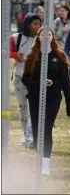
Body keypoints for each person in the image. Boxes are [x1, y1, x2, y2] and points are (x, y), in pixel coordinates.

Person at [22, 28, 70, 175]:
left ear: (52, 37)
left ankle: (45, 163)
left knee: (46, 129)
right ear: (38, 37)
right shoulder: (32, 56)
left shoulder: (59, 56)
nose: (46, 36)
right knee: (38, 131)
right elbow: (25, 79)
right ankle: (39, 162)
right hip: (35, 98)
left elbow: (65, 83)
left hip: (53, 99)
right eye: (43, 34)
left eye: (49, 34)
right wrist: (40, 83)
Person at [9, 13, 41, 147]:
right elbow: (4, 51)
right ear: (29, 25)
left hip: (35, 79)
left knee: (34, 108)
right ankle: (25, 135)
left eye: (39, 24)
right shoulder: (16, 38)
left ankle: (33, 135)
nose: (38, 27)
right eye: (36, 24)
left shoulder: (41, 39)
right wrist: (16, 55)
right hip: (19, 78)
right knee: (23, 107)